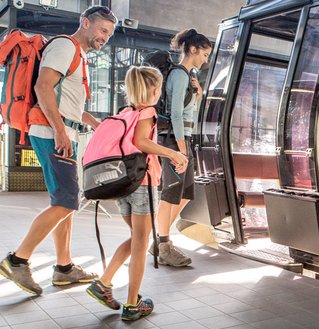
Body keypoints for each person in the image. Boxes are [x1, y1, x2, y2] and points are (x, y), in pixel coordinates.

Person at [0, 6, 117, 295]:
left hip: (63, 132)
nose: (105, 37)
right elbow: (43, 87)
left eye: (109, 34)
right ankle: (18, 260)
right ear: (85, 22)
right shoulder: (66, 46)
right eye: (102, 30)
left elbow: (66, 100)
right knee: (66, 200)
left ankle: (64, 268)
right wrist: (61, 131)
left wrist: (90, 121)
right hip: (53, 133)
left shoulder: (79, 56)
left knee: (67, 200)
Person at [86, 66, 188, 321]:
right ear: (156, 89)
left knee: (136, 238)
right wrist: (174, 153)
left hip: (122, 184)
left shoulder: (125, 112)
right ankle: (133, 304)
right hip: (142, 183)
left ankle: (103, 283)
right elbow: (142, 142)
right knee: (141, 244)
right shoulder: (148, 112)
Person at [153, 29, 212, 267]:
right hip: (172, 140)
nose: (205, 59)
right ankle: (164, 244)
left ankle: (160, 240)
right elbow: (176, 114)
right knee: (171, 193)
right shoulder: (179, 75)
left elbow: (189, 113)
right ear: (193, 49)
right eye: (205, 54)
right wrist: (180, 149)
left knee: (186, 194)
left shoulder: (189, 77)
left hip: (183, 139)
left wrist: (197, 94)